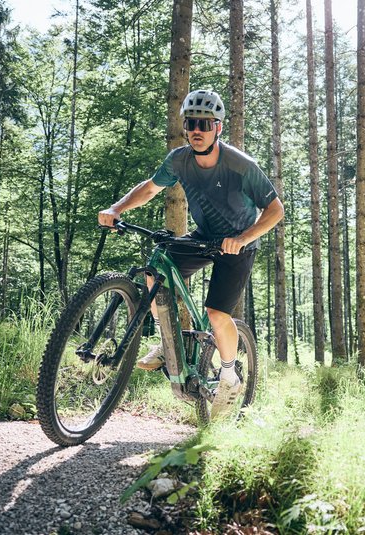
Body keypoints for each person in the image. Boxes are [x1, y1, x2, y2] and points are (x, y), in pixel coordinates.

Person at [98, 89, 284, 419]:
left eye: (204, 124)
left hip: (238, 244)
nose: (197, 130)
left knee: (216, 313)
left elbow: (275, 210)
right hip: (204, 237)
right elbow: (150, 188)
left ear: (218, 128)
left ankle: (229, 377)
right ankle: (168, 343)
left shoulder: (240, 165)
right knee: (156, 271)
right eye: (191, 123)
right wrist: (117, 208)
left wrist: (242, 238)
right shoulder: (179, 160)